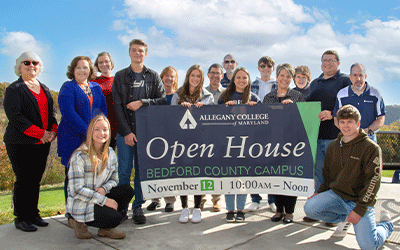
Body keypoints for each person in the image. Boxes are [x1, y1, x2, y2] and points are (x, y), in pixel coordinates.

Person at [304, 105, 393, 250]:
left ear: (358, 123)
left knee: (369, 246)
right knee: (310, 207)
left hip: (360, 201)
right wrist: (319, 193)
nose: (346, 126)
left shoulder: (371, 148)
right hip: (337, 196)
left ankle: (386, 224)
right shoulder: (333, 146)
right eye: (342, 122)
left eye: (350, 122)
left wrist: (359, 210)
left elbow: (373, 182)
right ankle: (345, 218)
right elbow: (327, 175)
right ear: (338, 124)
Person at [112, 39, 166, 225]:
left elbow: (161, 100)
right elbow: (117, 106)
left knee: (142, 172)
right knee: (124, 172)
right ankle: (121, 207)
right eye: (134, 50)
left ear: (145, 53)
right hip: (125, 133)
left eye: (141, 51)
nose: (137, 53)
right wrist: (126, 132)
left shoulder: (153, 76)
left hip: (146, 133)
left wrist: (142, 102)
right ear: (129, 53)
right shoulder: (120, 76)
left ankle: (138, 206)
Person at [3, 51, 57, 232]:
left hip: (42, 142)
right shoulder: (14, 89)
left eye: (35, 62)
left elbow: (51, 114)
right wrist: (40, 133)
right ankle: (21, 217)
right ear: (19, 66)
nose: (31, 65)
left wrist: (52, 132)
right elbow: (16, 117)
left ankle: (34, 214)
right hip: (20, 142)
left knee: (35, 180)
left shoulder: (45, 88)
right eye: (27, 62)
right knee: (24, 179)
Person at [66, 115, 134, 240]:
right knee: (116, 217)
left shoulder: (110, 153)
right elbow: (76, 190)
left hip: (99, 194)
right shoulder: (80, 156)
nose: (101, 133)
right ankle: (78, 222)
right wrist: (105, 201)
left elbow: (115, 179)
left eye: (105, 129)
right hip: (82, 202)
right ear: (91, 131)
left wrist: (104, 188)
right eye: (97, 129)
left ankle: (105, 229)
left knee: (127, 190)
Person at [304, 50, 352, 225]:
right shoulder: (314, 83)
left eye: (331, 60)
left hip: (336, 136)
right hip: (316, 136)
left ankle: (334, 213)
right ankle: (318, 209)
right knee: (319, 175)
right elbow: (308, 106)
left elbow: (350, 105)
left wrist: (333, 114)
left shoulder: (345, 81)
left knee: (337, 175)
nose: (327, 63)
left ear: (338, 63)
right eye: (324, 60)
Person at [58, 56, 108, 201]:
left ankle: (88, 209)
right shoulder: (68, 87)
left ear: (90, 70)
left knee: (91, 176)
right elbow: (68, 113)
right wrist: (89, 132)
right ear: (72, 70)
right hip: (73, 139)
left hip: (94, 140)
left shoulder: (96, 87)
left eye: (85, 67)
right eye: (78, 67)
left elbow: (102, 110)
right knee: (73, 176)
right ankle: (71, 213)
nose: (82, 70)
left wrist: (99, 130)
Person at [263, 63, 305, 224]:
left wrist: (293, 109)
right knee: (276, 178)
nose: (285, 79)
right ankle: (279, 210)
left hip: (293, 144)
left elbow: (305, 119)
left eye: (288, 76)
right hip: (272, 144)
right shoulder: (269, 97)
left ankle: (289, 212)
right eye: (282, 75)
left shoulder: (297, 96)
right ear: (277, 77)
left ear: (292, 79)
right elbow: (264, 119)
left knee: (290, 177)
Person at [171, 64, 214, 223]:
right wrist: (180, 109)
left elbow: (211, 121)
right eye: (192, 75)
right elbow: (171, 117)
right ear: (188, 76)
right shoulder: (178, 95)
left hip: (201, 143)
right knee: (183, 174)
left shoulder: (207, 96)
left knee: (198, 174)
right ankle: (184, 208)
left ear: (202, 79)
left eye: (198, 76)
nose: (195, 79)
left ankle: (197, 208)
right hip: (181, 142)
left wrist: (204, 109)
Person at [218, 67, 259, 222]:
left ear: (248, 80)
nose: (242, 80)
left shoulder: (254, 97)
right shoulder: (224, 96)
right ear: (233, 79)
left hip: (247, 144)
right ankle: (229, 209)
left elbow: (262, 121)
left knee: (243, 177)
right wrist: (225, 110)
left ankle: (240, 209)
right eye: (239, 77)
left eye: (244, 78)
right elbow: (215, 120)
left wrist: (255, 110)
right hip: (227, 143)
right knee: (229, 177)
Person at [248, 56, 278, 213]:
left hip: (272, 129)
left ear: (273, 68)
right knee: (254, 165)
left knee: (271, 166)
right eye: (263, 65)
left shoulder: (279, 84)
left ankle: (272, 199)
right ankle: (255, 199)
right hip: (254, 130)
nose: (266, 68)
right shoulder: (251, 85)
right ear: (258, 67)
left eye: (269, 66)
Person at [147, 66, 178, 212]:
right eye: (166, 76)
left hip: (172, 137)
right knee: (155, 168)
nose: (169, 78)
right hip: (155, 136)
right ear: (161, 77)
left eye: (172, 76)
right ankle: (155, 199)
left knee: (170, 169)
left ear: (175, 79)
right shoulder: (154, 95)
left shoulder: (178, 96)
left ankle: (170, 200)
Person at [93, 52, 118, 149]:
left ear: (111, 63)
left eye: (106, 61)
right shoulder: (93, 81)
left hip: (114, 126)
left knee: (109, 157)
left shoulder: (118, 81)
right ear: (97, 65)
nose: (104, 64)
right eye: (100, 62)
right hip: (98, 126)